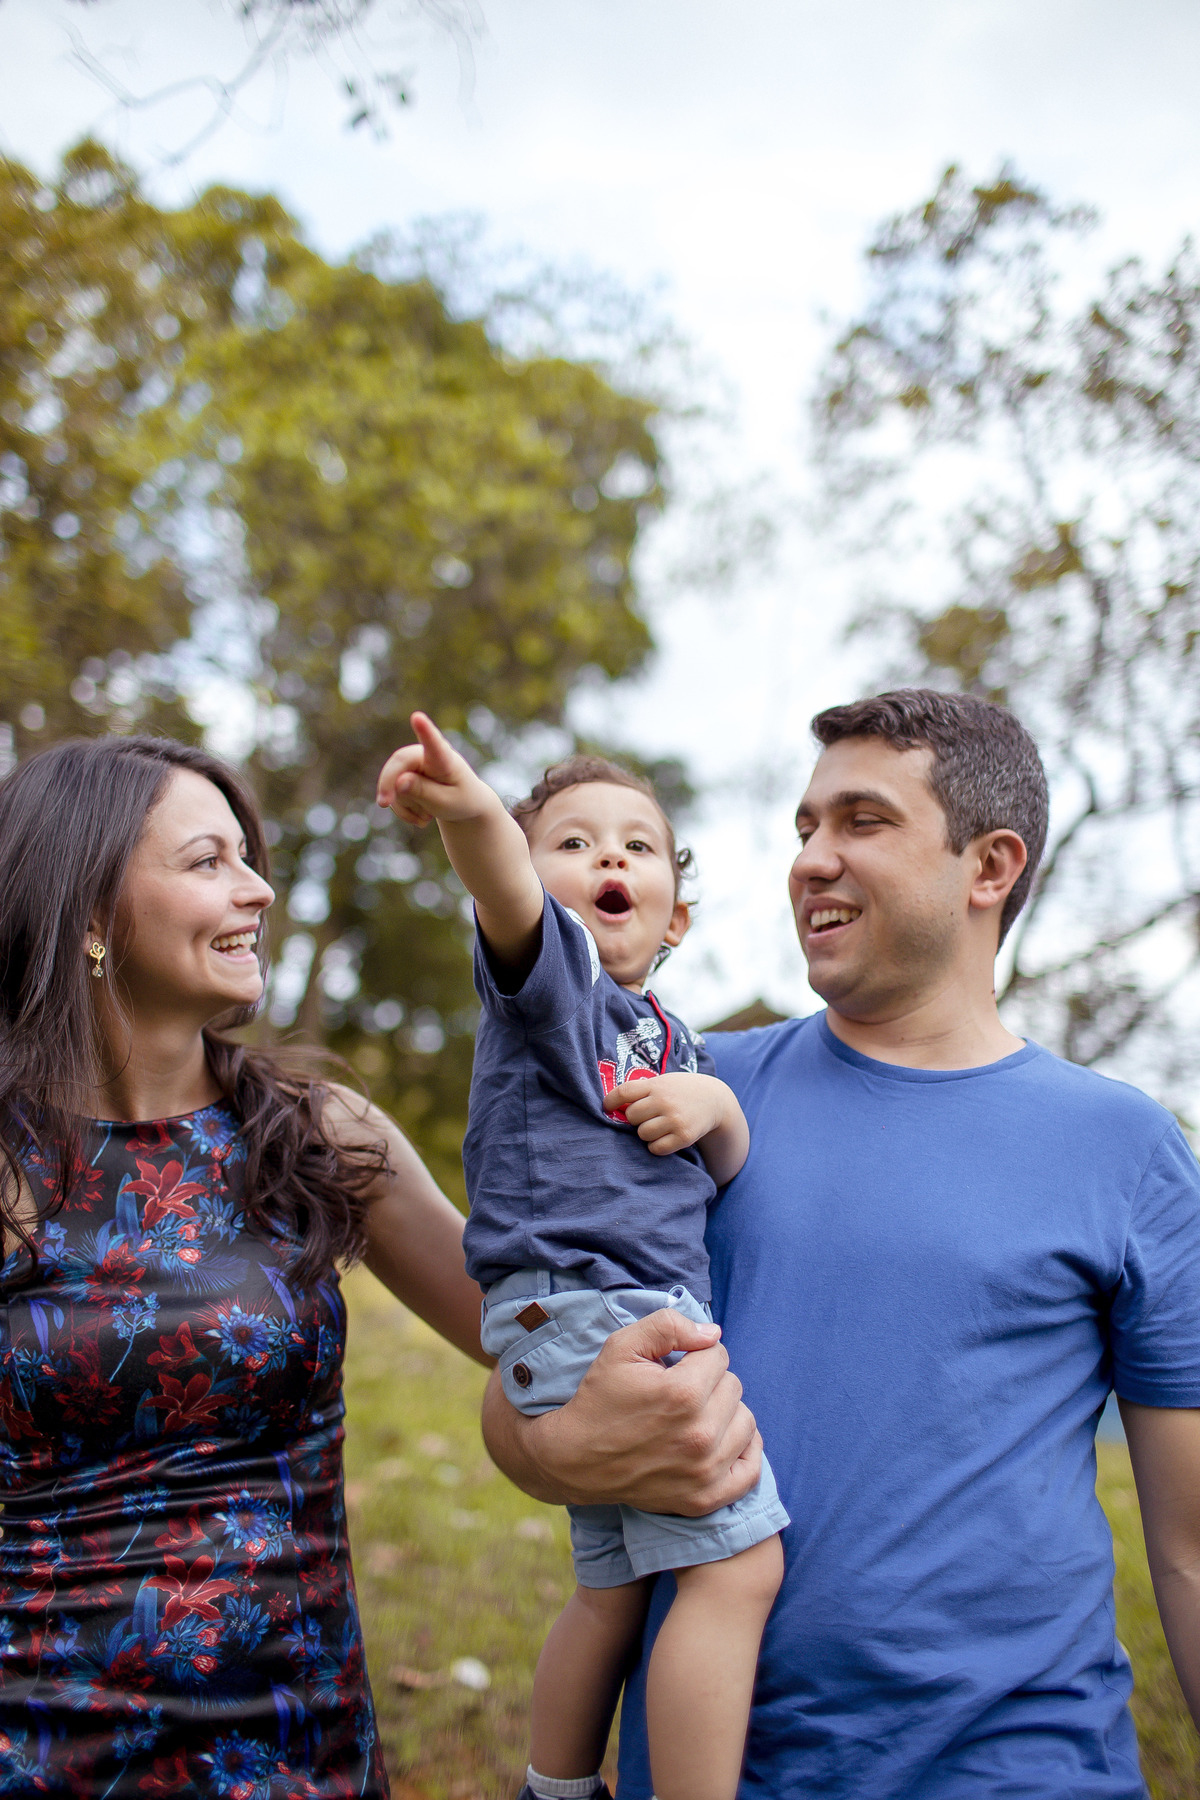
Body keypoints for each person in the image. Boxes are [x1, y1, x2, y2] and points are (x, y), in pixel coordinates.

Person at [482, 688, 1200, 1800]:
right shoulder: (679, 1093)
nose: (812, 858)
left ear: (990, 865)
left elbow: (1191, 1554)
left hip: (1021, 1771)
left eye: (861, 822)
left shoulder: (1130, 1151)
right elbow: (530, 1355)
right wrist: (554, 1449)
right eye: (804, 828)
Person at [0, 733, 485, 1797]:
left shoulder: (321, 1137)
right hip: (37, 1752)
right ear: (87, 913)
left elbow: (522, 1333)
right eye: (207, 861)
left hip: (294, 1749)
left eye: (248, 856)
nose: (258, 889)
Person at [376, 715, 788, 1800]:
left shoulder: (672, 1035)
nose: (609, 857)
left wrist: (720, 1109)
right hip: (593, 1303)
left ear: (678, 914)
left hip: (588, 1310)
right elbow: (509, 896)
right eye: (572, 842)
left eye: (638, 845)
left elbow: (726, 1166)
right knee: (737, 1564)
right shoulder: (554, 986)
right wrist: (470, 813)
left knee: (612, 1593)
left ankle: (554, 1788)